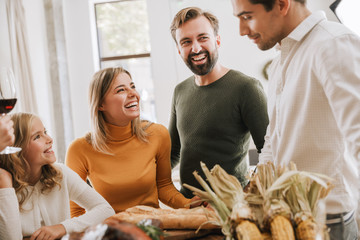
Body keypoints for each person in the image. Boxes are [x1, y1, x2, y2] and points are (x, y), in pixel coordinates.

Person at [230, 0, 360, 239]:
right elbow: (273, 138)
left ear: (281, 4)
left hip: (329, 222)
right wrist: (256, 189)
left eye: (247, 16)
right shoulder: (280, 61)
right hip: (290, 218)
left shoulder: (333, 44)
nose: (241, 30)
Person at [66, 67, 198, 216]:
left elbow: (164, 186)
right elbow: (76, 211)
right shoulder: (79, 150)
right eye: (121, 90)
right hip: (112, 232)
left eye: (133, 87)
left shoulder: (157, 134)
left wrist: (189, 204)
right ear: (101, 104)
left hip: (153, 229)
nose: (133, 94)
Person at [169, 7, 269, 198]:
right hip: (187, 205)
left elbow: (269, 153)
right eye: (186, 42)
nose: (196, 48)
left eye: (203, 38)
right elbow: (174, 152)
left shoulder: (246, 88)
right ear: (179, 49)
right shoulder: (179, 91)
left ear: (217, 40)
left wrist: (247, 195)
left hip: (231, 208)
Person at [0, 112, 115, 240]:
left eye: (45, 131)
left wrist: (62, 227)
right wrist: (4, 186)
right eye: (37, 137)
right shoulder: (4, 188)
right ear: (17, 149)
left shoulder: (61, 174)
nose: (49, 139)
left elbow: (106, 210)